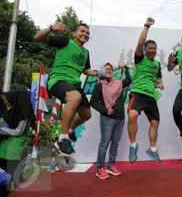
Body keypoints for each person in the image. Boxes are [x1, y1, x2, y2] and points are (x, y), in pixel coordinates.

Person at [34, 22, 102, 156]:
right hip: (59, 81)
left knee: (86, 115)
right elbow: (38, 37)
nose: (85, 34)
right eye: (82, 31)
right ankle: (62, 138)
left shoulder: (85, 52)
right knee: (75, 97)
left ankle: (70, 130)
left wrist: (98, 73)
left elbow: (85, 70)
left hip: (74, 85)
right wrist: (52, 28)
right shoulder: (65, 42)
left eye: (87, 33)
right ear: (74, 33)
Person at [127, 17, 164, 163]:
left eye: (155, 48)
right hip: (138, 93)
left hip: (151, 96)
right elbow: (140, 42)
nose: (153, 50)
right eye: (150, 48)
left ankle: (153, 150)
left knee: (155, 123)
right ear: (145, 49)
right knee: (132, 116)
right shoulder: (140, 58)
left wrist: (160, 84)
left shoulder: (156, 64)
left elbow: (159, 79)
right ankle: (132, 146)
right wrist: (147, 26)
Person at [90, 62, 132, 179]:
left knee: (115, 143)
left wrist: (125, 67)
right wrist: (105, 110)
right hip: (107, 119)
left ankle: (111, 165)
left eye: (110, 69)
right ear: (102, 71)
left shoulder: (118, 83)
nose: (108, 71)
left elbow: (129, 79)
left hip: (120, 118)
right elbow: (93, 102)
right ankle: (99, 168)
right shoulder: (99, 86)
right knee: (104, 143)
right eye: (106, 69)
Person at [0, 90, 36, 195]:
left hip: (14, 150)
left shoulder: (24, 114)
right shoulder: (13, 112)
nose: (7, 101)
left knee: (10, 181)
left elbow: (18, 131)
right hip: (4, 148)